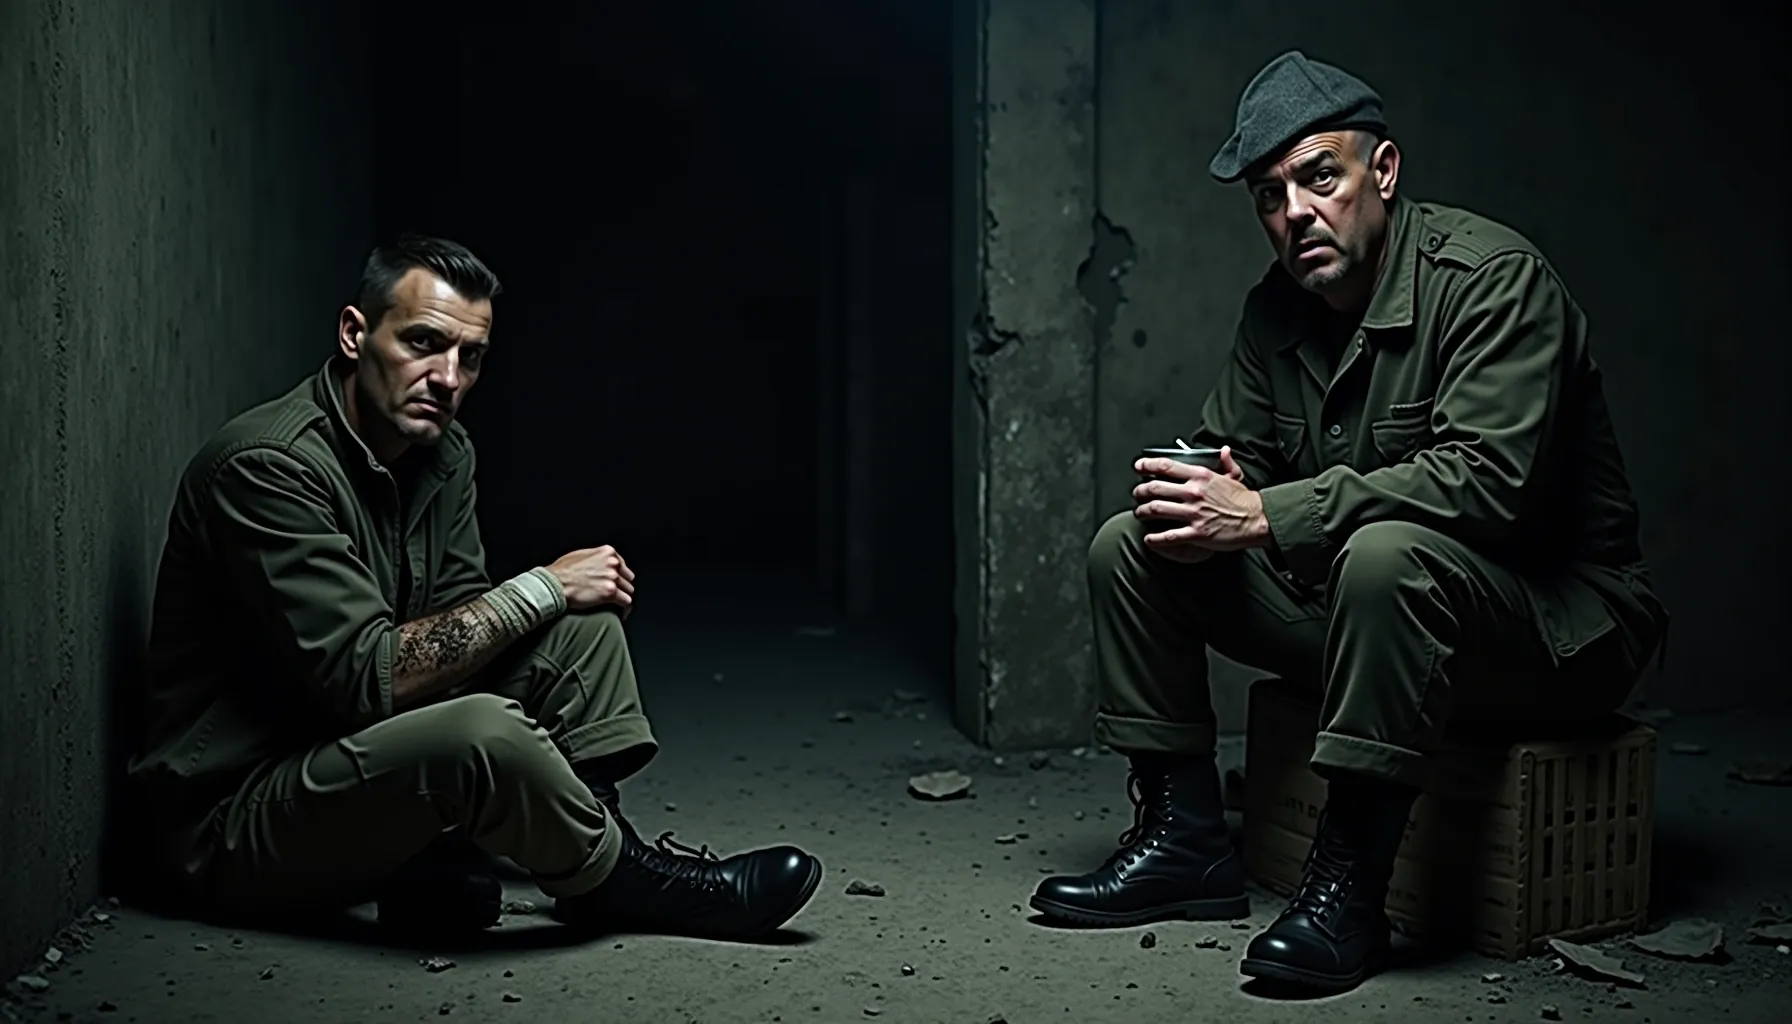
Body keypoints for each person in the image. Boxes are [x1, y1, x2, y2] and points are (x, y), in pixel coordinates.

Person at [1029, 51, 1668, 994]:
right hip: (1372, 617)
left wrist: (1266, 511)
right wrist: (1209, 488)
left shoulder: (1493, 281)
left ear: (1385, 171)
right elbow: (1239, 459)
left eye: (1320, 177)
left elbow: (1491, 485)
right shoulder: (1277, 308)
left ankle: (1348, 891)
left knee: (1385, 558)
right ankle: (1183, 842)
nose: (1295, 213)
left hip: (1558, 632)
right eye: (1270, 195)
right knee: (1135, 546)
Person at [127, 235, 823, 939]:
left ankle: (557, 848)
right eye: (423, 343)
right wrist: (543, 587)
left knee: (581, 634)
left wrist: (550, 605)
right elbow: (363, 677)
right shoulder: (267, 468)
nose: (448, 378)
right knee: (482, 731)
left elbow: (460, 631)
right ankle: (628, 882)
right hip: (232, 824)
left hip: (345, 758)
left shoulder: (442, 452)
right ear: (354, 335)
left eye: (471, 357)